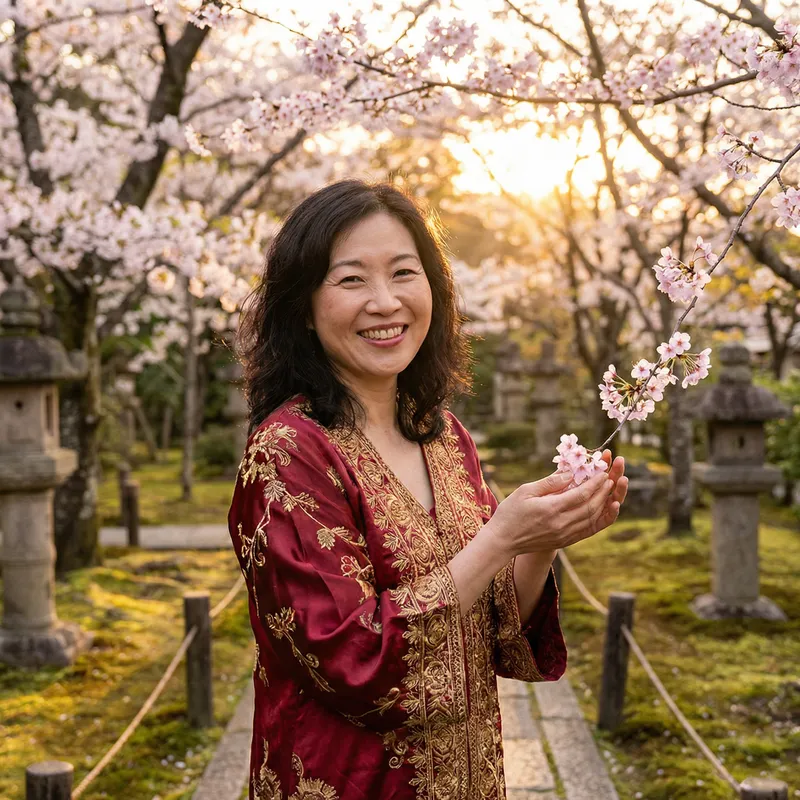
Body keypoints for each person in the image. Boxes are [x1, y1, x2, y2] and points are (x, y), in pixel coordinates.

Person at [228, 179, 628, 800]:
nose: (385, 302)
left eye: (403, 273)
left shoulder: (444, 435)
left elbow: (497, 630)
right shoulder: (289, 454)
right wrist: (498, 539)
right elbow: (352, 660)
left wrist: (541, 539)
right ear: (303, 305)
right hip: (348, 779)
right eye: (351, 279)